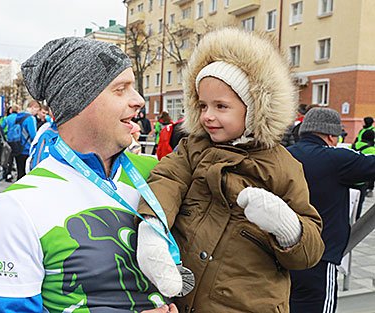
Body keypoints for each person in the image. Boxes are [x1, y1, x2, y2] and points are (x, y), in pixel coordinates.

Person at [0, 37, 178, 313]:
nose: (139, 100)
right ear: (80, 103)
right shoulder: (18, 206)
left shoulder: (159, 174)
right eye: (120, 89)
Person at [136, 27, 325, 312]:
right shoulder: (193, 148)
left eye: (221, 106)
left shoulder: (282, 166)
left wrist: (287, 227)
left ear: (255, 107)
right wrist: (152, 227)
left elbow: (309, 252)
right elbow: (166, 180)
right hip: (182, 301)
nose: (207, 116)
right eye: (202, 105)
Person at [287, 108, 375, 313]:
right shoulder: (337, 159)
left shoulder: (284, 156)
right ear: (331, 135)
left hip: (283, 253)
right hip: (320, 255)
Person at [349, 129, 375, 220]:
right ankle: (356, 221)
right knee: (358, 203)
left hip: (348, 180)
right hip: (361, 182)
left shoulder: (352, 146)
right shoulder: (372, 150)